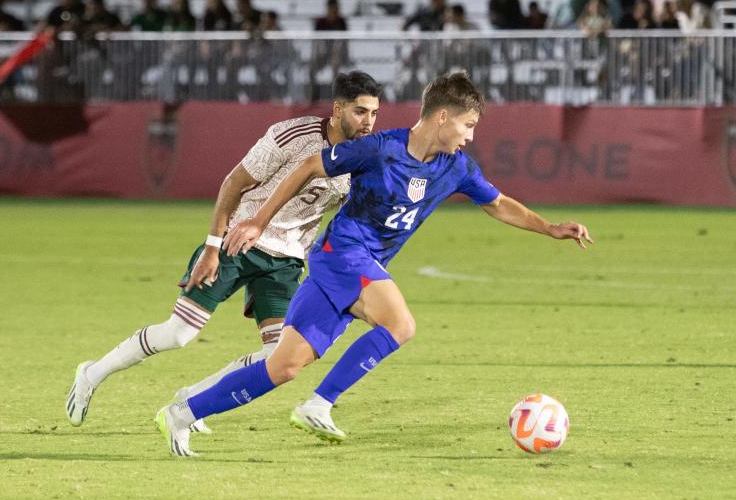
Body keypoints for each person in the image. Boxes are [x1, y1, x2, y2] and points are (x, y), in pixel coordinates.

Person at [155, 72, 593, 456]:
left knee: (283, 366)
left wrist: (548, 227)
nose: (471, 135)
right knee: (400, 325)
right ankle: (319, 404)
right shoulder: (381, 149)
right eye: (468, 124)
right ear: (442, 117)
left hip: (352, 266)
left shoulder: (456, 167)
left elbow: (497, 204)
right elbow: (310, 165)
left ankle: (182, 412)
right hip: (341, 254)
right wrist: (258, 220)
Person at [66, 72, 383, 428]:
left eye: (373, 113)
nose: (368, 122)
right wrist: (213, 247)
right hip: (238, 243)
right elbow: (234, 182)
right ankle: (91, 374)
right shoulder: (292, 136)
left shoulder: (363, 162)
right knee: (178, 334)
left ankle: (193, 398)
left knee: (277, 356)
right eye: (360, 111)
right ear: (337, 108)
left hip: (286, 263)